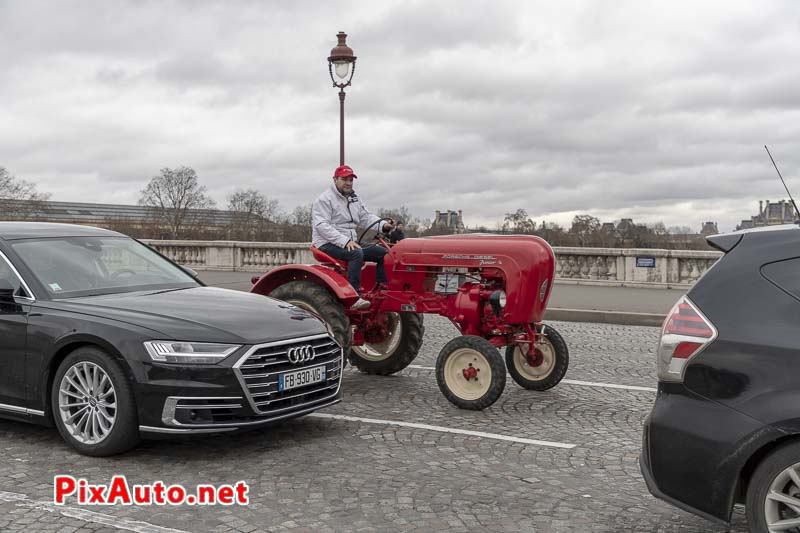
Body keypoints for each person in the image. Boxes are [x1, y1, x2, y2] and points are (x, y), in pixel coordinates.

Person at [312, 165, 394, 310]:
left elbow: (365, 217)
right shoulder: (324, 200)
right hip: (326, 242)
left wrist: (383, 225)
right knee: (356, 253)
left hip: (350, 241)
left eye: (350, 180)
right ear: (335, 179)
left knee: (384, 253)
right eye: (344, 179)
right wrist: (345, 241)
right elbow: (321, 226)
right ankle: (354, 297)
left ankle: (382, 289)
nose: (348, 183)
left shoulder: (354, 199)